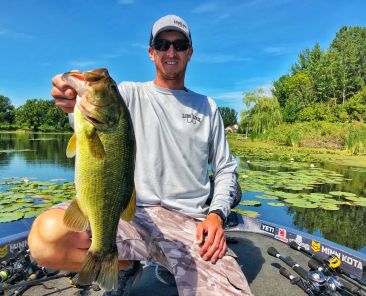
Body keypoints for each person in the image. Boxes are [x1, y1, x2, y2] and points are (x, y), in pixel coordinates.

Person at [28, 15, 252, 296]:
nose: (171, 52)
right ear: (151, 52)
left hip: (189, 224)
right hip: (128, 214)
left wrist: (217, 215)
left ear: (190, 52)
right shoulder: (127, 94)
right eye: (162, 44)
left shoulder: (207, 106)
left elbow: (225, 169)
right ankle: (123, 264)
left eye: (179, 44)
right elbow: (90, 127)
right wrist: (70, 93)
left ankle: (166, 263)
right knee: (45, 238)